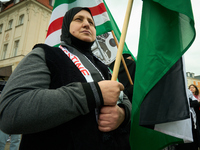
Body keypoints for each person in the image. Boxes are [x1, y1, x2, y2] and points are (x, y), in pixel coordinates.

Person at [0, 7, 131, 150]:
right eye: (78, 19)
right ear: (66, 26)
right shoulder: (45, 54)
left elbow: (123, 98)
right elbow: (10, 112)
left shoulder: (104, 67)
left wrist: (123, 114)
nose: (87, 24)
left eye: (91, 22)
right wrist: (92, 93)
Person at [0, 82, 21, 150]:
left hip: (17, 119)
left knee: (16, 140)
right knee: (1, 141)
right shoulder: (4, 94)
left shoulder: (19, 93)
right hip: (4, 119)